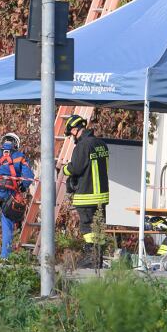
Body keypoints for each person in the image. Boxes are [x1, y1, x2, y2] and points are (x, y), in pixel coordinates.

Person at [61, 114, 110, 268]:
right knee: (99, 228)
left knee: (88, 227)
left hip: (87, 195)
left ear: (75, 130)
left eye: (71, 134)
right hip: (101, 195)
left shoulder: (82, 146)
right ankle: (97, 258)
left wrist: (63, 169)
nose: (71, 138)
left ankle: (91, 257)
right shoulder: (101, 144)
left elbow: (75, 167)